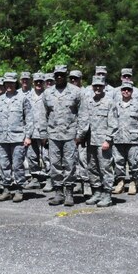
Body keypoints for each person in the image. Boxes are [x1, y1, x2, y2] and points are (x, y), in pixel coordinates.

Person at [41, 65, 82, 206]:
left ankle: (69, 193)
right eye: (57, 75)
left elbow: (82, 114)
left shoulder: (76, 92)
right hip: (53, 134)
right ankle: (58, 193)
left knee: (70, 164)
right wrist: (43, 134)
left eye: (62, 75)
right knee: (55, 164)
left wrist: (80, 134)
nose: (59, 77)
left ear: (66, 75)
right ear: (54, 75)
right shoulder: (47, 93)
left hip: (70, 134)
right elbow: (43, 115)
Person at [0, 72, 33, 202]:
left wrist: (28, 136)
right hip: (2, 137)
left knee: (17, 165)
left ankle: (19, 190)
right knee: (4, 164)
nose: (8, 85)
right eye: (6, 83)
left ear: (15, 84)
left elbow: (29, 118)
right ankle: (7, 189)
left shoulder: (22, 98)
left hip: (18, 138)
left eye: (11, 83)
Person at [78, 76, 118, 207]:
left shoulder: (109, 102)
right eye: (95, 86)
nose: (97, 88)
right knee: (92, 168)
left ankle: (107, 195)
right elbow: (84, 121)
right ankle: (97, 192)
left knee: (105, 168)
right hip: (90, 141)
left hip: (103, 142)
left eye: (100, 86)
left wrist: (108, 140)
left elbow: (113, 124)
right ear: (92, 86)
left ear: (104, 87)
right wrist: (82, 137)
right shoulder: (88, 101)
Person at [112, 82, 138, 195]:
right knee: (118, 162)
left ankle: (134, 182)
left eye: (128, 90)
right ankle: (120, 182)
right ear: (121, 91)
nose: (126, 91)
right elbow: (111, 120)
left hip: (133, 140)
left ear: (132, 91)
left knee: (134, 162)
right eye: (124, 89)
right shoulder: (115, 105)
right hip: (118, 139)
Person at [24, 72, 50, 191]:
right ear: (33, 83)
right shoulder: (27, 96)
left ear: (44, 83)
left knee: (47, 156)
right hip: (31, 131)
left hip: (45, 131)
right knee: (32, 156)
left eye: (41, 82)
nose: (38, 84)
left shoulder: (48, 95)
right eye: (36, 82)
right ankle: (35, 178)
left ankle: (50, 179)